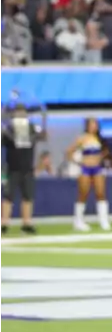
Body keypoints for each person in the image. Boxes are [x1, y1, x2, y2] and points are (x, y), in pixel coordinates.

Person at [1, 100, 45, 235]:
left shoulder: (32, 128)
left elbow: (43, 136)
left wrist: (42, 129)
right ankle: (4, 223)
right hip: (12, 167)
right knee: (8, 196)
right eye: (18, 112)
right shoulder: (9, 129)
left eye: (23, 112)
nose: (20, 114)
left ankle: (26, 223)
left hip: (27, 167)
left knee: (28, 196)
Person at [67, 117, 109, 232]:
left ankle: (103, 220)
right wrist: (79, 162)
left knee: (101, 193)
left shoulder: (100, 139)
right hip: (85, 168)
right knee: (83, 193)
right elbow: (69, 151)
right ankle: (78, 220)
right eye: (91, 124)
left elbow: (105, 152)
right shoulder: (82, 138)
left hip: (97, 168)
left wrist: (100, 157)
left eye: (95, 124)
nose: (93, 126)